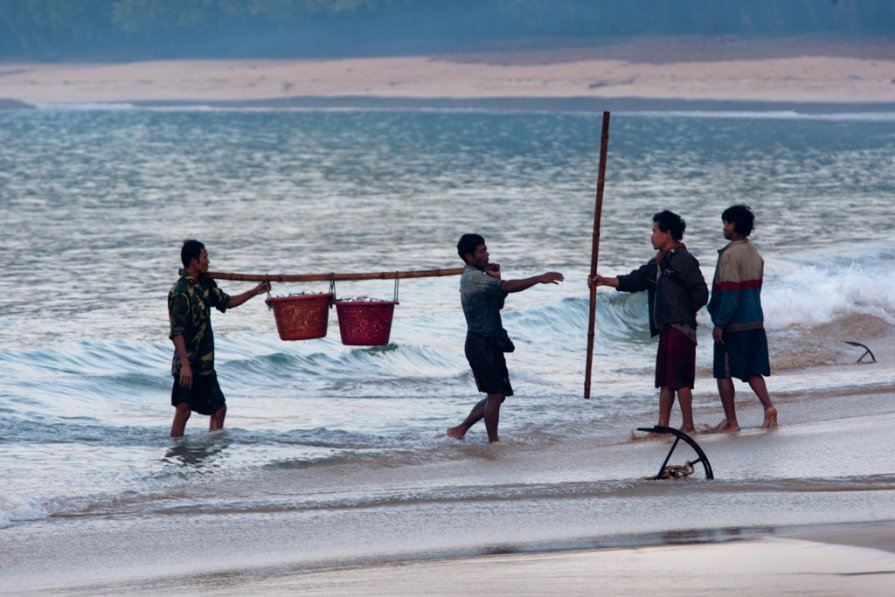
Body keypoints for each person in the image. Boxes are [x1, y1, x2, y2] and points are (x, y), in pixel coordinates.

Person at [590, 210, 708, 433]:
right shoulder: (656, 264)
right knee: (665, 379)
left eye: (654, 231)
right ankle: (663, 424)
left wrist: (684, 313)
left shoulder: (684, 259)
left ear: (668, 233)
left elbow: (701, 293)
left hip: (681, 328)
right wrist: (603, 281)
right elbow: (634, 280)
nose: (651, 235)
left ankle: (688, 425)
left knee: (681, 379)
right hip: (665, 327)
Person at [447, 234, 564, 443]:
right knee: (495, 396)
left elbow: (499, 303)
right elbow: (507, 287)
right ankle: (493, 441)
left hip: (489, 342)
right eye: (482, 251)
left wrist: (495, 278)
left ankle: (460, 429)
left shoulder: (481, 276)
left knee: (498, 395)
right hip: (480, 343)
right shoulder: (473, 277)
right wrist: (538, 278)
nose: (487, 254)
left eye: (486, 249)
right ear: (469, 256)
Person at [168, 240, 270, 437]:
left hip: (205, 363)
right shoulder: (180, 292)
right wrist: (186, 365)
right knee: (183, 410)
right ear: (193, 261)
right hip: (187, 364)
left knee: (219, 409)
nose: (208, 261)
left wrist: (255, 291)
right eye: (205, 257)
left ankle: (210, 449)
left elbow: (227, 302)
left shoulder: (205, 284)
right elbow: (177, 332)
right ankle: (176, 453)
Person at [708, 205, 778, 432]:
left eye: (726, 223)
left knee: (723, 372)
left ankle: (732, 421)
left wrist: (720, 322)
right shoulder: (754, 253)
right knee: (751, 370)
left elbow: (730, 294)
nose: (724, 227)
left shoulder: (730, 256)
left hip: (734, 324)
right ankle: (768, 407)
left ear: (734, 226)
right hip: (755, 321)